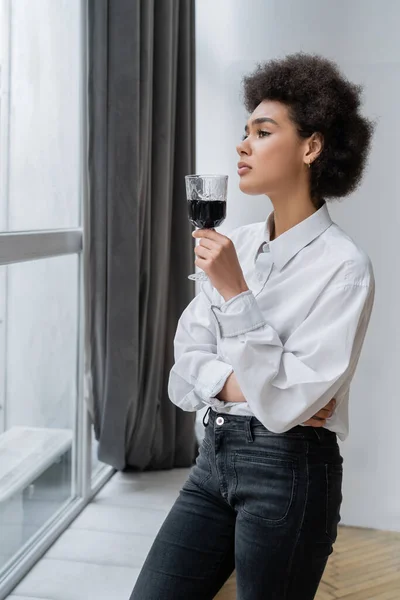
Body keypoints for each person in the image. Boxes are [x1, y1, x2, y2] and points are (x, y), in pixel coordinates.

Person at [129, 52, 375, 600]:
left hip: (289, 476)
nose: (242, 145)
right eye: (245, 131)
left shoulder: (343, 267)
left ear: (311, 147)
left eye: (263, 132)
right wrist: (257, 388)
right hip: (212, 460)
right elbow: (186, 366)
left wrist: (237, 293)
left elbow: (289, 401)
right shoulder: (232, 243)